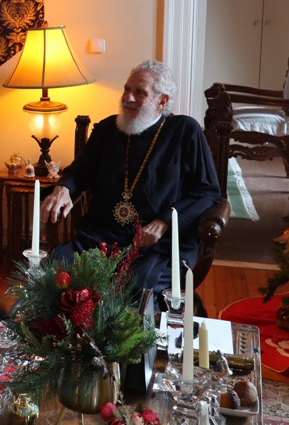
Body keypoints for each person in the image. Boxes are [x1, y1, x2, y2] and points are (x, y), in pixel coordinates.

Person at [41, 60, 220, 296]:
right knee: (56, 269)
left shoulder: (185, 131)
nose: (128, 98)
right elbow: (78, 172)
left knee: (138, 285)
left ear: (162, 101)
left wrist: (165, 221)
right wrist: (62, 189)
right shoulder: (107, 129)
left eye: (140, 93)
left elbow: (207, 192)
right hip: (101, 238)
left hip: (158, 245)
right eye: (127, 89)